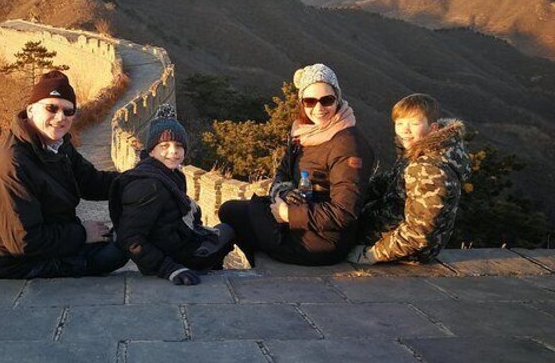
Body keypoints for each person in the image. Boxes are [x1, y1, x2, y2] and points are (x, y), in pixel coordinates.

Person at [0, 70, 128, 279]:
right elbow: (24, 241)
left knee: (129, 236)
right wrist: (83, 234)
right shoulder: (12, 164)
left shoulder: (57, 145)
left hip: (51, 244)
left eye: (68, 111)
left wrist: (139, 179)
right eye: (51, 108)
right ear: (30, 110)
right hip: (20, 264)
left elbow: (91, 182)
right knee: (119, 250)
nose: (60, 117)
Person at [218, 63, 374, 266]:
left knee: (234, 215)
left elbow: (343, 213)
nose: (319, 108)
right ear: (302, 103)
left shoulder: (348, 146)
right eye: (310, 101)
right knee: (230, 210)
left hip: (322, 241)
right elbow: (282, 172)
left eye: (327, 100)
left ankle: (265, 266)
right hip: (302, 219)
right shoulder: (304, 133)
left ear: (338, 99)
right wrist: (282, 193)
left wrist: (288, 214)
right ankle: (261, 262)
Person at [109, 104, 235, 285]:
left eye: (178, 146)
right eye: (164, 145)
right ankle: (213, 271)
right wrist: (169, 269)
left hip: (178, 246)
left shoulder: (170, 175)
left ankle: (213, 266)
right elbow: (129, 238)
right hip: (175, 259)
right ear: (151, 150)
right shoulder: (148, 185)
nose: (173, 151)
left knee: (222, 232)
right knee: (228, 231)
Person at [348, 93, 471, 265]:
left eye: (414, 123)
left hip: (403, 250)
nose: (405, 130)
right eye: (399, 123)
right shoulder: (417, 154)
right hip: (389, 232)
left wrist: (372, 255)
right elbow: (390, 182)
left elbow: (419, 233)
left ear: (433, 128)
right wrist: (350, 191)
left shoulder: (429, 169)